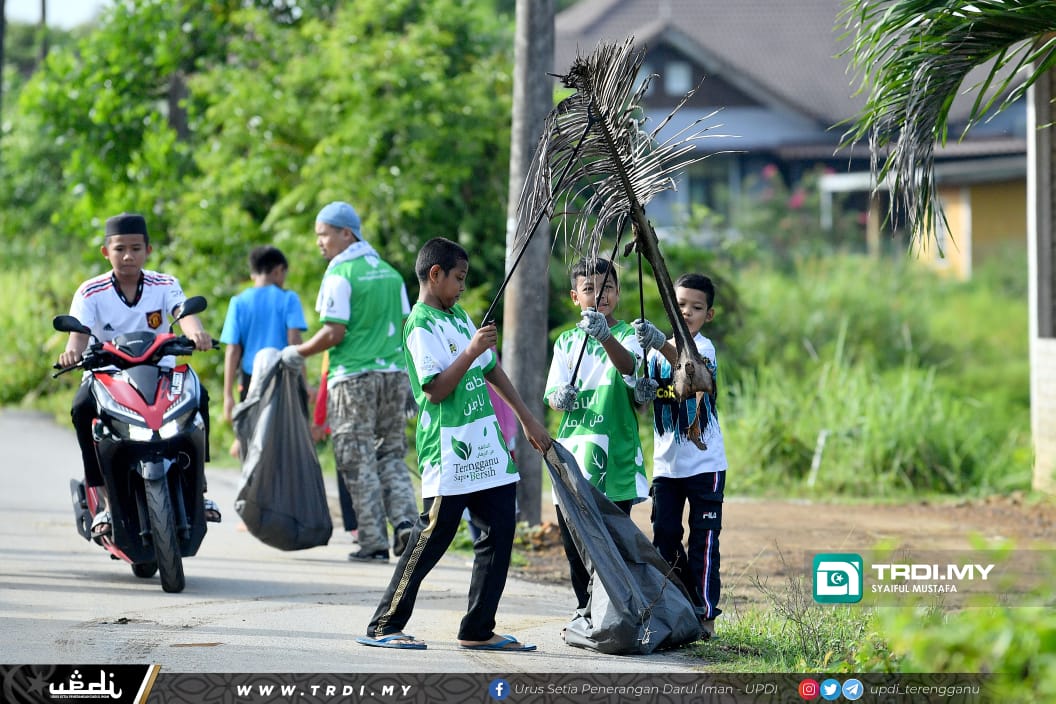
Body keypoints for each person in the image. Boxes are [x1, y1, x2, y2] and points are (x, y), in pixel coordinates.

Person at [355, 236, 551, 651]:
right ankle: (384, 624)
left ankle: (477, 628)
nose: (462, 286)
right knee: (432, 536)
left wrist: (527, 419)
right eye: (458, 278)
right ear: (435, 274)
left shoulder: (461, 317)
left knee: (499, 533)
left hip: (488, 449)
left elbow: (491, 371)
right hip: (450, 450)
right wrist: (470, 350)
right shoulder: (420, 325)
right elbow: (436, 390)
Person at [58, 212, 219, 539]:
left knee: (199, 396)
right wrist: (72, 352)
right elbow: (79, 333)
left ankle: (198, 489)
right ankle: (102, 500)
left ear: (148, 250)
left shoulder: (166, 284)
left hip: (159, 374)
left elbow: (183, 314)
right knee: (80, 409)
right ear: (106, 252)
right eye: (119, 249)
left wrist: (197, 334)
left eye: (135, 248)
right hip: (108, 377)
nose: (127, 255)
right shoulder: (90, 292)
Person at [282, 201, 417, 562]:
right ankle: (405, 524)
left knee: (357, 459)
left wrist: (298, 353)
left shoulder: (340, 273)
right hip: (394, 376)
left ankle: (372, 540)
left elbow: (334, 333)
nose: (319, 243)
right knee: (390, 453)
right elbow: (405, 327)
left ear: (346, 233)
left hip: (353, 379)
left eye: (323, 234)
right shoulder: (390, 273)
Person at [544, 256, 652, 612]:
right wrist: (560, 397)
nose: (599, 295)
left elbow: (630, 368)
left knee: (614, 542)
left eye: (607, 287)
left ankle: (617, 611)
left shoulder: (628, 336)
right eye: (589, 289)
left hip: (615, 455)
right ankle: (584, 610)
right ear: (575, 297)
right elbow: (554, 394)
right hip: (573, 457)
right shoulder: (564, 343)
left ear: (618, 292)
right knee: (575, 543)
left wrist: (604, 336)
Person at [639, 273, 727, 639]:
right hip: (666, 467)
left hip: (705, 465)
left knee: (704, 540)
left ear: (709, 314)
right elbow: (643, 404)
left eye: (696, 307)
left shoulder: (704, 349)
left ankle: (705, 616)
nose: (687, 312)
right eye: (680, 305)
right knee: (664, 537)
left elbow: (691, 373)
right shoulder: (653, 352)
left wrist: (661, 344)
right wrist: (641, 390)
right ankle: (675, 609)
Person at [220, 245, 307, 457]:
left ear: (253, 272)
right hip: (283, 374)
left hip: (250, 378)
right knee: (281, 432)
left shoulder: (238, 302)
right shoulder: (288, 299)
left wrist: (227, 395)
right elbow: (294, 341)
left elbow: (233, 350)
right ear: (278, 270)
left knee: (251, 432)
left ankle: (252, 481)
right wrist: (304, 383)